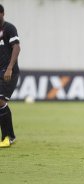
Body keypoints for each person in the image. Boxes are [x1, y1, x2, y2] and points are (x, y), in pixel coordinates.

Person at [0, 4, 20, 148]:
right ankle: (9, 136)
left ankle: (7, 137)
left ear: (2, 14)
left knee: (0, 100)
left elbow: (17, 47)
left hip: (9, 72)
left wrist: (10, 68)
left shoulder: (9, 28)